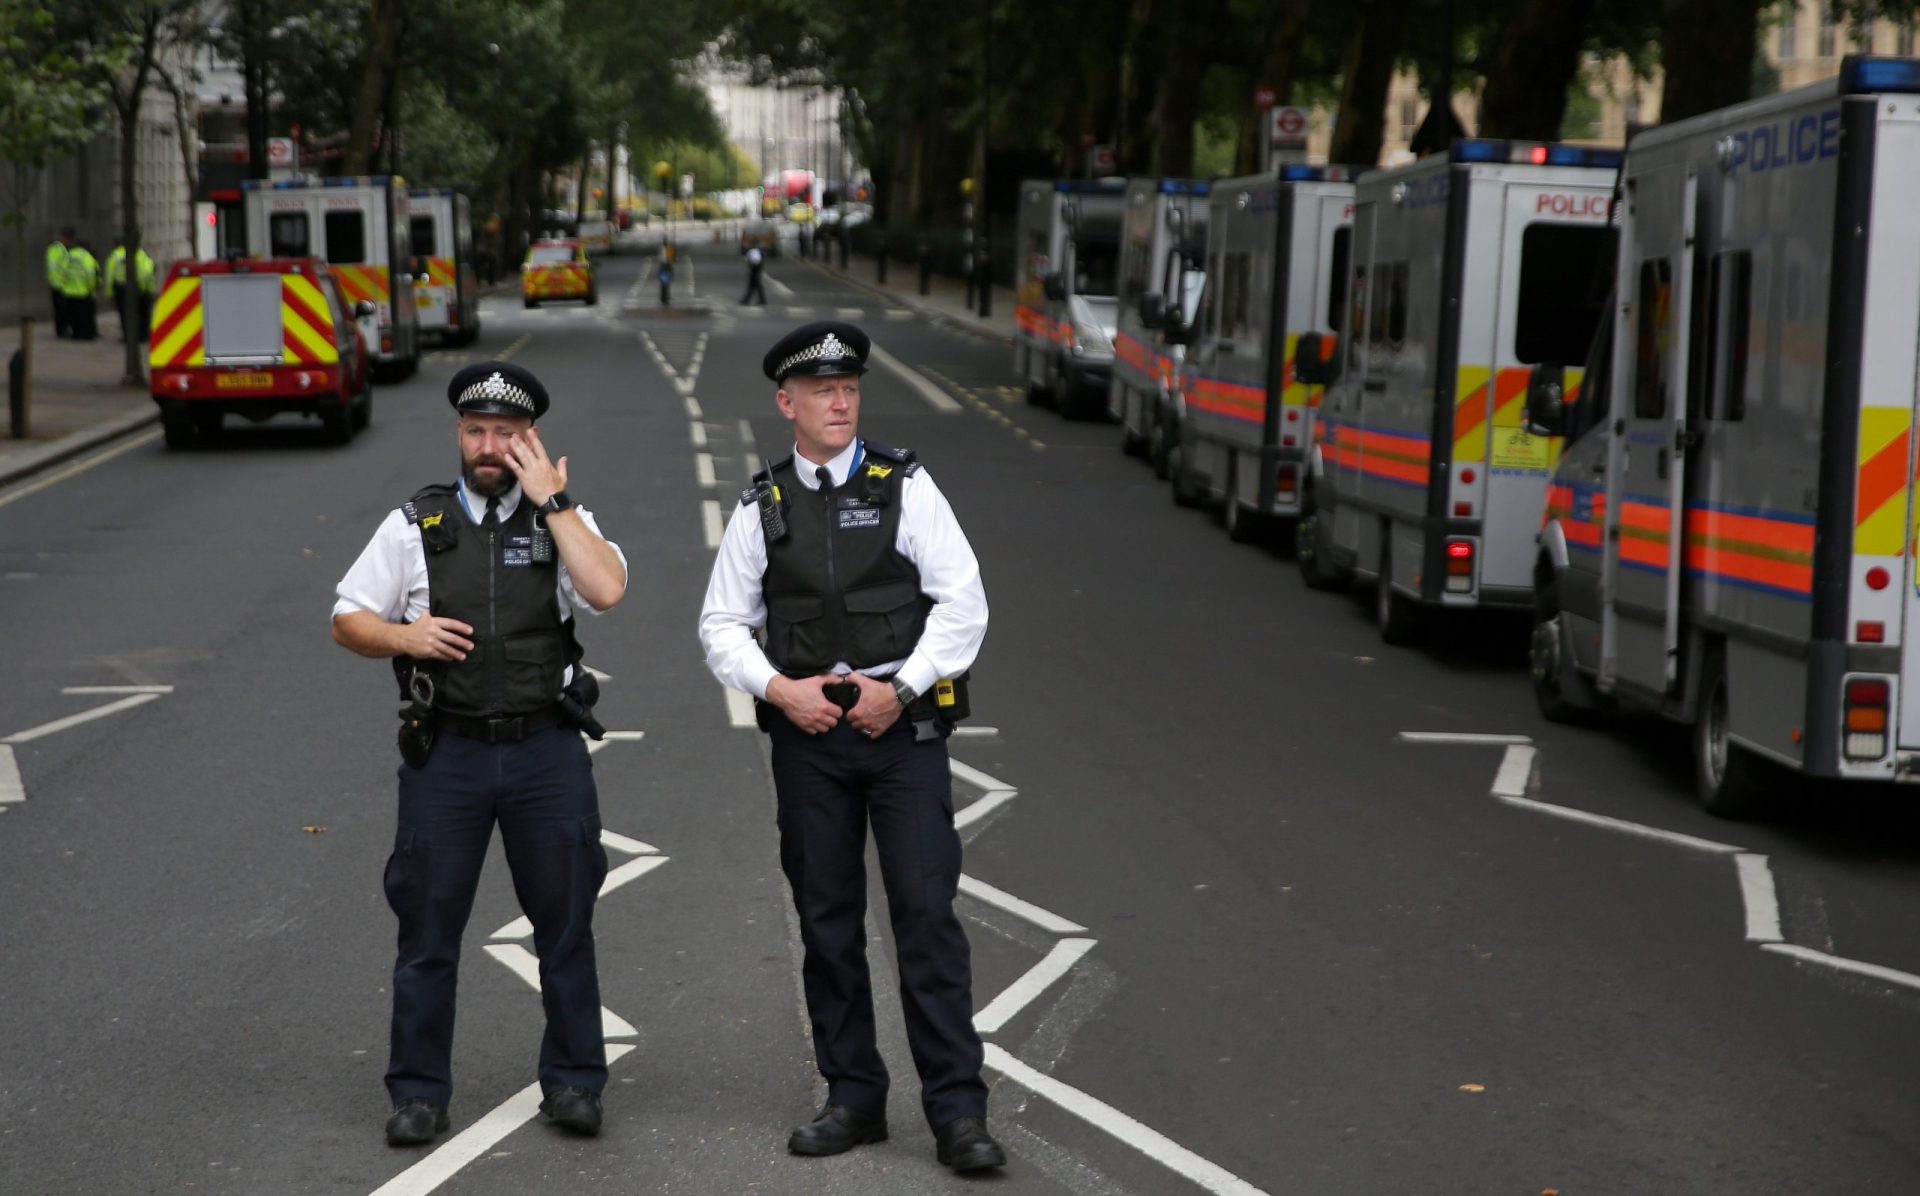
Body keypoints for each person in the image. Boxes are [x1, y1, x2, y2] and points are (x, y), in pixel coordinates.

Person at [698, 322, 1006, 1174]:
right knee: (827, 922)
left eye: (851, 388)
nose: (841, 401)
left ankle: (957, 1113)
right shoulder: (763, 506)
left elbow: (963, 603)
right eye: (823, 390)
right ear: (786, 403)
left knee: (925, 920)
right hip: (810, 738)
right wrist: (780, 690)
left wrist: (899, 689)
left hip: (901, 732)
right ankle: (854, 1098)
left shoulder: (905, 485)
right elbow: (721, 625)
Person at [331, 362, 628, 1148]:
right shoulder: (415, 526)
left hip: (545, 753)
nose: (488, 446)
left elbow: (606, 589)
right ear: (460, 436)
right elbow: (347, 617)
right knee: (427, 931)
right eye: (476, 431)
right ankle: (419, 1093)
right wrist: (404, 634)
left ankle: (573, 1083)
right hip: (448, 757)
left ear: (529, 441)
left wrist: (555, 502)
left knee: (565, 925)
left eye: (505, 433)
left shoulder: (561, 518)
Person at [105, 240, 156, 342]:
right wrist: (145, 288)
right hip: (139, 288)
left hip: (121, 288)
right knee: (142, 314)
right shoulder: (141, 254)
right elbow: (147, 273)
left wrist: (109, 292)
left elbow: (109, 275)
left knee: (125, 314)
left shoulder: (115, 255)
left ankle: (128, 336)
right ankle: (143, 335)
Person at [44, 228, 85, 339]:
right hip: (59, 284)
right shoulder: (58, 249)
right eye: (68, 239)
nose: (69, 242)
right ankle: (61, 330)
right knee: (61, 310)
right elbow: (56, 267)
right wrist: (60, 280)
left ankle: (62, 329)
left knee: (62, 310)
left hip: (59, 284)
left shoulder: (60, 249)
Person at [70, 240, 101, 341]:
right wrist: (92, 288)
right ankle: (86, 335)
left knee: (74, 315)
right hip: (84, 291)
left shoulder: (70, 255)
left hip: (70, 291)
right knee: (85, 315)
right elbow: (90, 274)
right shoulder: (87, 257)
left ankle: (76, 334)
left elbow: (63, 270)